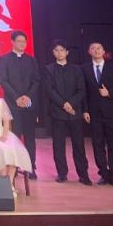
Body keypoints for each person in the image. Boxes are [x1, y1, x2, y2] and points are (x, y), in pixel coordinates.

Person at [82, 40, 113, 187]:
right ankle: (103, 173)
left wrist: (109, 93)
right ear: (89, 52)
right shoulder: (84, 69)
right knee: (97, 144)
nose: (96, 50)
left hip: (111, 113)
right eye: (93, 48)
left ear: (104, 51)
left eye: (99, 48)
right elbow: (83, 92)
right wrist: (85, 110)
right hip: (94, 114)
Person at [43, 40, 91, 185]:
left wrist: (71, 103)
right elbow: (50, 90)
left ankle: (83, 174)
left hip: (75, 112)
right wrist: (64, 104)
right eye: (56, 50)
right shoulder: (49, 69)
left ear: (67, 52)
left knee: (79, 145)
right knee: (58, 145)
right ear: (53, 53)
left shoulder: (77, 69)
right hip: (58, 112)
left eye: (62, 50)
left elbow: (81, 89)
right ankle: (62, 173)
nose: (59, 53)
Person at [0, 29, 40, 179]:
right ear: (12, 42)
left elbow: (36, 80)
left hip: (29, 104)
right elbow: (3, 80)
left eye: (24, 41)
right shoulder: (4, 59)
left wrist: (27, 97)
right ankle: (13, 168)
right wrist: (16, 97)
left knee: (30, 137)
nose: (22, 44)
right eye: (19, 41)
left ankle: (30, 167)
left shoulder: (31, 60)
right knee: (14, 137)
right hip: (12, 104)